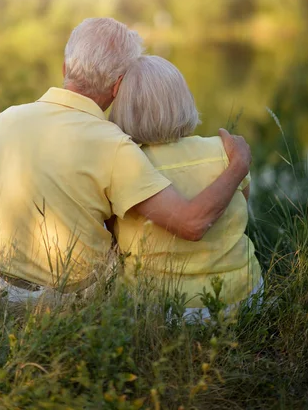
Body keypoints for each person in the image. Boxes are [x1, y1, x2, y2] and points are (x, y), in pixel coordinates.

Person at [0, 18, 252, 302]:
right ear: (119, 86)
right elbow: (191, 224)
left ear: (64, 68)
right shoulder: (114, 145)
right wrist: (238, 166)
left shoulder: (7, 119)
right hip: (67, 300)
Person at [109, 55, 261, 318]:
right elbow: (241, 204)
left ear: (123, 108)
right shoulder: (226, 151)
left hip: (161, 306)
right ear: (182, 100)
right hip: (245, 296)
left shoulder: (124, 165)